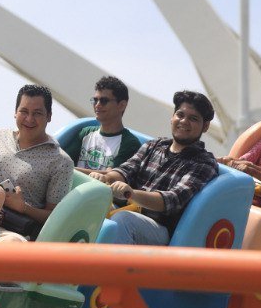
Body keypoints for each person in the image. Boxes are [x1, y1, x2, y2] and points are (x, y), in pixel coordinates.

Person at [94, 90, 219, 246]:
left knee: (123, 220)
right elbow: (125, 171)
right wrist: (105, 178)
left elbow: (172, 200)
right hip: (126, 209)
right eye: (180, 115)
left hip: (159, 228)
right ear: (172, 117)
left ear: (205, 126)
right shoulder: (154, 145)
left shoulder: (204, 162)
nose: (184, 121)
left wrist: (132, 194)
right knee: (92, 200)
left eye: (193, 119)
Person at [0, 85, 75, 241]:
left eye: (37, 113)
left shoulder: (61, 162)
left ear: (49, 116)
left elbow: (55, 218)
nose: (29, 119)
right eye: (24, 111)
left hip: (10, 231)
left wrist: (24, 208)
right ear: (15, 112)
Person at [58, 75, 142, 173]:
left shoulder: (130, 143)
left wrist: (70, 170)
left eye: (104, 101)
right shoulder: (86, 133)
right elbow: (63, 162)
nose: (97, 105)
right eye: (95, 100)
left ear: (122, 105)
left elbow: (113, 176)